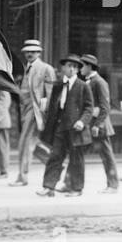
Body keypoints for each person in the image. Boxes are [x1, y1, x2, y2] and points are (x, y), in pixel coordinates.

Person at [37, 55, 94, 198]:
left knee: (76, 160)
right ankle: (48, 187)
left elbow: (89, 108)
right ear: (63, 67)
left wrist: (82, 121)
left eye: (75, 67)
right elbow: (52, 108)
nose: (72, 69)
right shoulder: (57, 85)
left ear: (77, 70)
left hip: (75, 129)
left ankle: (76, 188)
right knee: (55, 156)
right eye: (69, 66)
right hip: (60, 128)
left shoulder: (83, 86)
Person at [12, 39, 54, 187]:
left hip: (35, 111)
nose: (30, 54)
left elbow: (48, 94)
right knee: (33, 144)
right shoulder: (25, 69)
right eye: (27, 51)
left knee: (24, 142)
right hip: (24, 111)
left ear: (39, 53)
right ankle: (56, 164)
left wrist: (42, 113)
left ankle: (22, 176)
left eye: (33, 51)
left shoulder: (45, 69)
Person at [74, 54, 118, 194]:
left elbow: (105, 107)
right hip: (89, 125)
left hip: (99, 127)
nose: (80, 69)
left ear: (89, 66)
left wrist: (97, 125)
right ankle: (72, 183)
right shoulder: (87, 81)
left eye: (82, 66)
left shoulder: (99, 82)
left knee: (106, 156)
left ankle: (112, 185)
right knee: (77, 152)